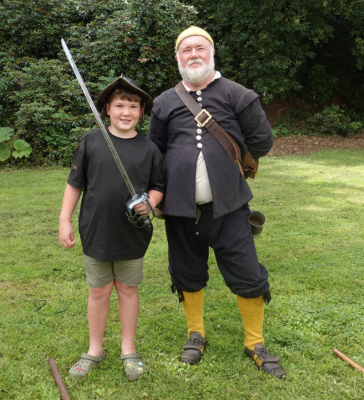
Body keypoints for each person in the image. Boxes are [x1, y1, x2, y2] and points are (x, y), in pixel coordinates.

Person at [148, 26, 285, 378]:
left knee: (248, 274)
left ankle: (255, 342)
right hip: (180, 210)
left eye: (200, 48)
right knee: (186, 273)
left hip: (230, 207)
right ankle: (196, 335)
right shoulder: (164, 102)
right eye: (186, 50)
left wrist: (233, 163)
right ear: (177, 58)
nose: (193, 54)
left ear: (212, 53)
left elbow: (263, 143)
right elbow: (154, 154)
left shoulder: (239, 95)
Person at [59, 75, 164, 382]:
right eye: (119, 105)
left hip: (132, 235)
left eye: (133, 106)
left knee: (128, 290)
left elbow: (158, 186)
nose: (126, 111)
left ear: (141, 112)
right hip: (96, 231)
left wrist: (149, 203)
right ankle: (94, 349)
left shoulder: (150, 149)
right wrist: (64, 219)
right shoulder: (91, 142)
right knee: (99, 290)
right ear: (106, 108)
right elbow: (74, 184)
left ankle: (128, 349)